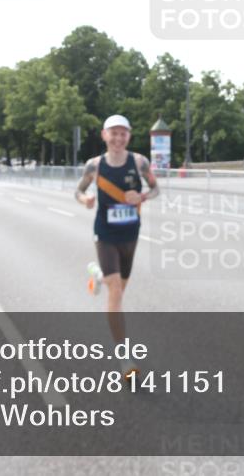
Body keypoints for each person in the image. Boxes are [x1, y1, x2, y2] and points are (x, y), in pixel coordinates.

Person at [75, 114, 160, 381]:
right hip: (105, 233)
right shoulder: (94, 165)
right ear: (104, 135)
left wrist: (143, 196)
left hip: (130, 233)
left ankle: (98, 275)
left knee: (119, 289)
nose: (118, 138)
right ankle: (124, 358)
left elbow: (156, 189)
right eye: (113, 133)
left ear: (128, 137)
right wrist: (86, 199)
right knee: (115, 292)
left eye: (123, 133)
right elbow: (78, 191)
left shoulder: (139, 162)